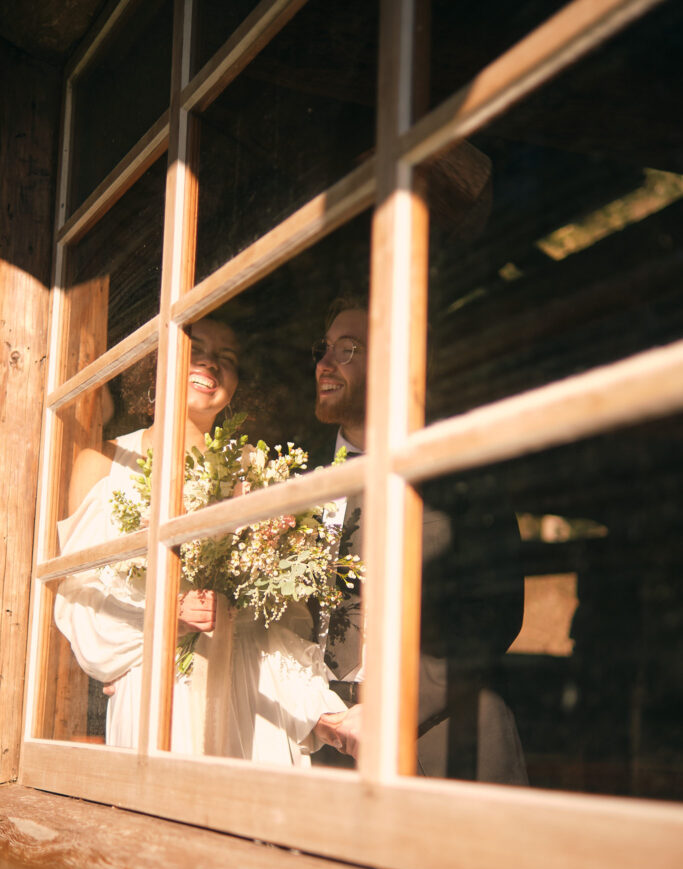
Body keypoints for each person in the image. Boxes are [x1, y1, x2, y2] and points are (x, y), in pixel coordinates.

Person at [54, 317, 359, 763]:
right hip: (157, 698)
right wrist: (165, 619)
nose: (210, 364)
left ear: (237, 386)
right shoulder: (102, 462)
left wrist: (321, 712)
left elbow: (284, 619)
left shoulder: (256, 469)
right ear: (157, 363)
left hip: (254, 701)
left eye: (227, 359)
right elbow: (79, 603)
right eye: (195, 348)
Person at [312, 300, 528, 782]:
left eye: (349, 350)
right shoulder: (299, 477)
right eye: (324, 349)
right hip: (328, 744)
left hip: (450, 743)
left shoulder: (461, 465)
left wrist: (391, 709)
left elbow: (493, 609)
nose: (326, 363)